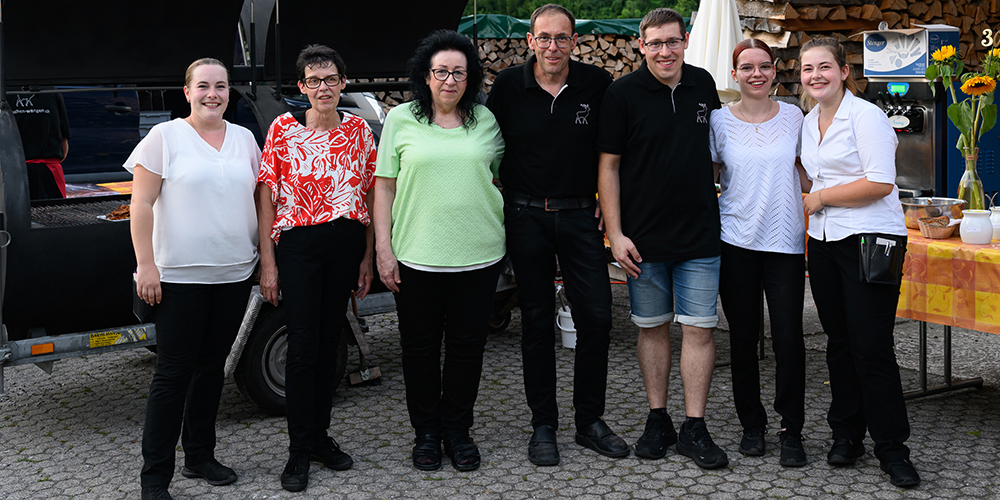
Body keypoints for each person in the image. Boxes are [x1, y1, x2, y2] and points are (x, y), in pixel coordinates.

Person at [486, 4, 623, 466]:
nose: (552, 46)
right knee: (537, 322)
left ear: (574, 41)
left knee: (597, 318)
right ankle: (543, 424)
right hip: (526, 217)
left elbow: (613, 152)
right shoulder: (508, 86)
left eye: (561, 38)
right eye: (543, 38)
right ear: (530, 41)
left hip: (582, 217)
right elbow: (484, 148)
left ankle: (590, 421)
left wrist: (611, 204)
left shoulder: (597, 83)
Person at [596, 7, 727, 469]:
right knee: (651, 328)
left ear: (685, 40)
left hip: (699, 235)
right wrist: (616, 234)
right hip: (642, 239)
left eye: (672, 41)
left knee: (699, 329)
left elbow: (717, 149)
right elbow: (608, 166)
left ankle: (694, 426)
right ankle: (658, 419)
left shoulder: (703, 84)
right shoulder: (621, 94)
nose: (664, 51)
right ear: (641, 45)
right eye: (655, 43)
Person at [128, 58, 261, 500]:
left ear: (229, 91)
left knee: (211, 370)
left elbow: (258, 199)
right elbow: (141, 205)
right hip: (179, 278)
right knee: (172, 376)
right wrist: (146, 265)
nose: (212, 94)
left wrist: (265, 259)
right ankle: (154, 479)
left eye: (220, 86)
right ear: (187, 92)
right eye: (203, 86)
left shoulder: (244, 139)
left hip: (234, 274)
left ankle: (200, 456)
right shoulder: (164, 138)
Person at [373, 30, 504, 473]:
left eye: (459, 73)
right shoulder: (401, 120)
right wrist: (383, 249)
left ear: (471, 78)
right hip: (416, 256)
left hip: (480, 255)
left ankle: (458, 431)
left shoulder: (486, 121)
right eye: (441, 72)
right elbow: (384, 186)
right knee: (420, 351)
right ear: (425, 76)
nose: (450, 81)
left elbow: (501, 175)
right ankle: (426, 434)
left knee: (467, 350)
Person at [798, 37, 919, 488]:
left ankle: (893, 449)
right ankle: (846, 434)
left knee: (871, 345)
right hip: (824, 241)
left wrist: (820, 198)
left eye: (824, 67)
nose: (815, 76)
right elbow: (811, 174)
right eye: (808, 69)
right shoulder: (809, 121)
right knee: (839, 341)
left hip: (872, 240)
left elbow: (880, 183)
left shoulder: (867, 117)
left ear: (844, 71)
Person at [257, 44, 376, 492]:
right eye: (313, 81)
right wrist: (269, 263)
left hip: (345, 242)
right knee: (303, 344)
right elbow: (266, 196)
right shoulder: (283, 129)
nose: (322, 88)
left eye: (330, 79)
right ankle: (298, 450)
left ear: (343, 83)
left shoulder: (359, 130)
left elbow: (369, 194)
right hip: (299, 245)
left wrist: (367, 257)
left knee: (329, 342)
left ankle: (320, 437)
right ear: (302, 87)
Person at [709, 39, 808, 467]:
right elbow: (709, 176)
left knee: (789, 339)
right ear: (734, 75)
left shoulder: (794, 117)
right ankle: (752, 424)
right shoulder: (718, 120)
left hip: (785, 243)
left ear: (774, 71)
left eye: (764, 66)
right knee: (743, 339)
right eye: (747, 67)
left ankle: (791, 429)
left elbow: (808, 173)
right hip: (735, 241)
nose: (756, 74)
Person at [12, 88, 70, 199]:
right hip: (49, 173)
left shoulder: (4, 93)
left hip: (12, 175)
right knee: (53, 210)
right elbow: (64, 148)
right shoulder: (52, 93)